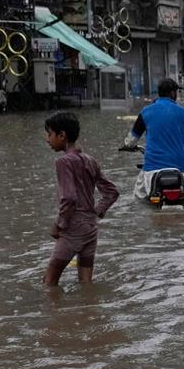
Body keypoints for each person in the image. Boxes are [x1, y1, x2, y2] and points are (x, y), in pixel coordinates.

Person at [43, 112, 120, 286]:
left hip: (73, 228)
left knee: (49, 282)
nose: (47, 139)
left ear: (62, 136)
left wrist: (59, 224)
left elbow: (69, 198)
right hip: (91, 228)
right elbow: (111, 192)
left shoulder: (63, 162)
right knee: (86, 282)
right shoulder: (89, 160)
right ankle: (88, 310)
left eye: (50, 134)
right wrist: (97, 212)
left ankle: (54, 313)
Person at [123, 77, 184, 199]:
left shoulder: (146, 112)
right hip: (180, 168)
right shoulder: (183, 113)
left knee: (138, 197)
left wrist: (127, 145)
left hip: (152, 168)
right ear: (173, 93)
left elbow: (132, 139)